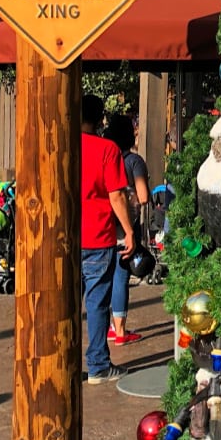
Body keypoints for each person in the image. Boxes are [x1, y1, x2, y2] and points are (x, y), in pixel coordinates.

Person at [81, 94, 134, 384]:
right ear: (100, 118)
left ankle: (64, 362)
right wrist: (129, 230)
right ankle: (98, 363)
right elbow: (116, 194)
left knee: (66, 304)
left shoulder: (60, 144)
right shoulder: (107, 149)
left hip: (64, 236)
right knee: (97, 302)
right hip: (98, 235)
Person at [103, 112, 150, 345]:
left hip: (105, 223)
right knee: (121, 276)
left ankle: (111, 325)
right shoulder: (134, 161)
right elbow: (143, 196)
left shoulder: (106, 157)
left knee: (107, 276)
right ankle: (120, 330)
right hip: (127, 225)